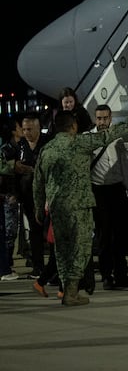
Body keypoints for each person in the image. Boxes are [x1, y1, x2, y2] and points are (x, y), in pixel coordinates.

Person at [32, 109, 128, 306]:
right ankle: (71, 292)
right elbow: (109, 135)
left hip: (57, 208)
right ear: (73, 127)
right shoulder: (79, 142)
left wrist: (39, 209)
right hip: (79, 207)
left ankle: (66, 290)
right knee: (81, 250)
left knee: (62, 251)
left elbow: (37, 183)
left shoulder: (47, 150)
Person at [89, 105, 128, 290]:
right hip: (99, 191)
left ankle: (121, 274)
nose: (102, 122)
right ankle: (106, 275)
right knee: (104, 236)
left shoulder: (116, 139)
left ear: (110, 118)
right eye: (99, 118)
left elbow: (124, 167)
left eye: (105, 118)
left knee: (120, 234)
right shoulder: (90, 139)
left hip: (117, 190)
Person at [14, 112, 47, 277]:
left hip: (47, 197)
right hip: (28, 197)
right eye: (25, 129)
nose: (27, 133)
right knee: (34, 232)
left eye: (30, 129)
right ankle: (38, 266)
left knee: (49, 231)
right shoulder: (19, 146)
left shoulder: (47, 143)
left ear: (38, 128)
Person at [1, 117, 22, 280]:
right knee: (10, 230)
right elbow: (6, 174)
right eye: (20, 126)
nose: (23, 129)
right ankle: (5, 266)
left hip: (17, 193)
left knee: (13, 229)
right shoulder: (6, 149)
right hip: (9, 195)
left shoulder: (18, 146)